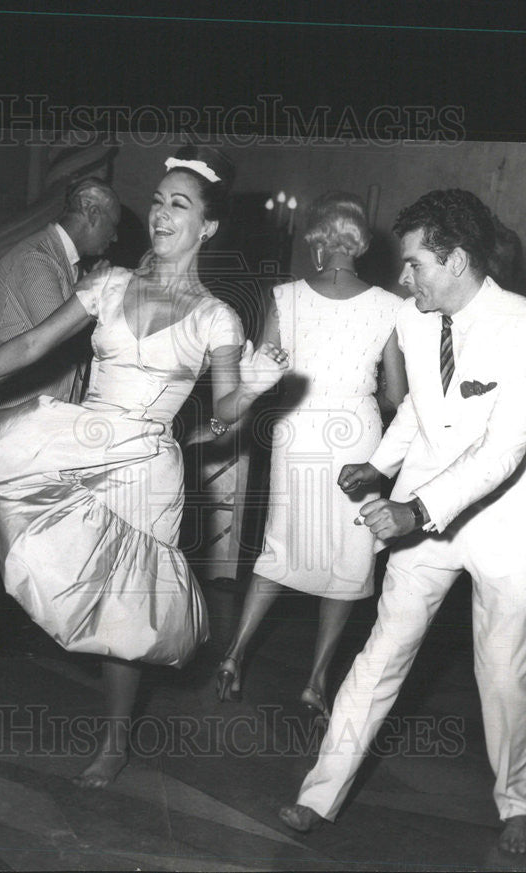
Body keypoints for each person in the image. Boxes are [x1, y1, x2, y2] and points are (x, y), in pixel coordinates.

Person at [0, 145, 289, 788]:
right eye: (155, 200)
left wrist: (254, 388)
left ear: (207, 226)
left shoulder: (217, 318)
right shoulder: (109, 283)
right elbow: (33, 343)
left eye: (179, 204)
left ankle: (114, 742)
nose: (160, 213)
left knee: (123, 612)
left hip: (143, 466)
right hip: (75, 435)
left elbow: (228, 410)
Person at [278, 189, 526, 856]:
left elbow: (503, 450)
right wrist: (376, 466)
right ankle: (317, 794)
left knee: (504, 674)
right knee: (380, 653)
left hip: (510, 522)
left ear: (457, 259)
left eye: (415, 265)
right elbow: (416, 410)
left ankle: (518, 799)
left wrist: (416, 509)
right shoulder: (412, 319)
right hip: (422, 517)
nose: (403, 279)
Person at [216, 192, 407, 716]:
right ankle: (317, 681)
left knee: (281, 545)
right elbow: (395, 394)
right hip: (357, 436)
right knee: (348, 559)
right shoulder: (391, 307)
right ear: (362, 246)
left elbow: (260, 374)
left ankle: (233, 655)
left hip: (298, 428)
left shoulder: (285, 296)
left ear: (318, 244)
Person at [0, 178, 121, 658]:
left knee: (11, 530)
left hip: (28, 417)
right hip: (6, 414)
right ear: (91, 213)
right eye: (112, 225)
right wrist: (105, 297)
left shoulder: (60, 262)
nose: (114, 237)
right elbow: (58, 337)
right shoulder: (37, 258)